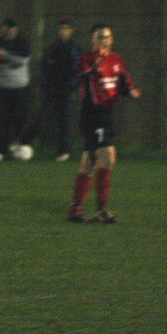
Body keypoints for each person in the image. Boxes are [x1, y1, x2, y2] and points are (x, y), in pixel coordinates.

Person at [66, 23, 141, 223]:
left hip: (107, 115)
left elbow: (123, 82)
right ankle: (102, 209)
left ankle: (76, 209)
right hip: (92, 114)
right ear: (92, 39)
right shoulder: (86, 59)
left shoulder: (116, 60)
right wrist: (95, 64)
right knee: (108, 157)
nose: (104, 40)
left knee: (89, 162)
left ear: (112, 39)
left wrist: (131, 91)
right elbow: (81, 74)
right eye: (100, 37)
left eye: (107, 36)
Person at [18, 20, 82, 162]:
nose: (63, 31)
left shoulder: (75, 49)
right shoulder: (52, 49)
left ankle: (63, 150)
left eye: (66, 29)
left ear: (71, 31)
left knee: (65, 120)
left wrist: (73, 86)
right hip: (51, 90)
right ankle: (25, 143)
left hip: (67, 91)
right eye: (61, 29)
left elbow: (79, 70)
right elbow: (43, 68)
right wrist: (45, 84)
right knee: (41, 115)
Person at [0, 18, 31, 161]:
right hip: (1, 87)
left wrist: (5, 56)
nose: (8, 30)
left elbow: (23, 61)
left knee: (19, 119)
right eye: (6, 27)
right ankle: (0, 150)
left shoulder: (22, 43)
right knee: (1, 119)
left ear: (15, 29)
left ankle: (18, 149)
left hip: (19, 87)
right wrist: (6, 65)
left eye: (11, 27)